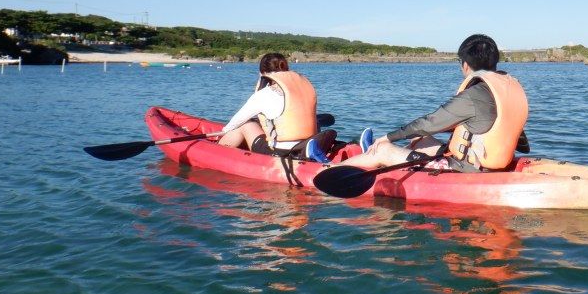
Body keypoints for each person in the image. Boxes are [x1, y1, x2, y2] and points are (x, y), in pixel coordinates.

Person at [340, 34, 528, 172]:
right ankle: (381, 161)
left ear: (465, 65)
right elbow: (518, 142)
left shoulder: (474, 95)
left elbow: (428, 123)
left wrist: (387, 137)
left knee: (382, 149)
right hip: (492, 164)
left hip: (467, 170)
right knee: (419, 139)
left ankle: (328, 169)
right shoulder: (506, 91)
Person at [219, 53, 331, 161]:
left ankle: (217, 150)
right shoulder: (303, 89)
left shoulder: (264, 94)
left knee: (246, 125)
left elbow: (235, 122)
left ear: (263, 73)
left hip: (282, 152)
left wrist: (225, 131)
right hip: (307, 143)